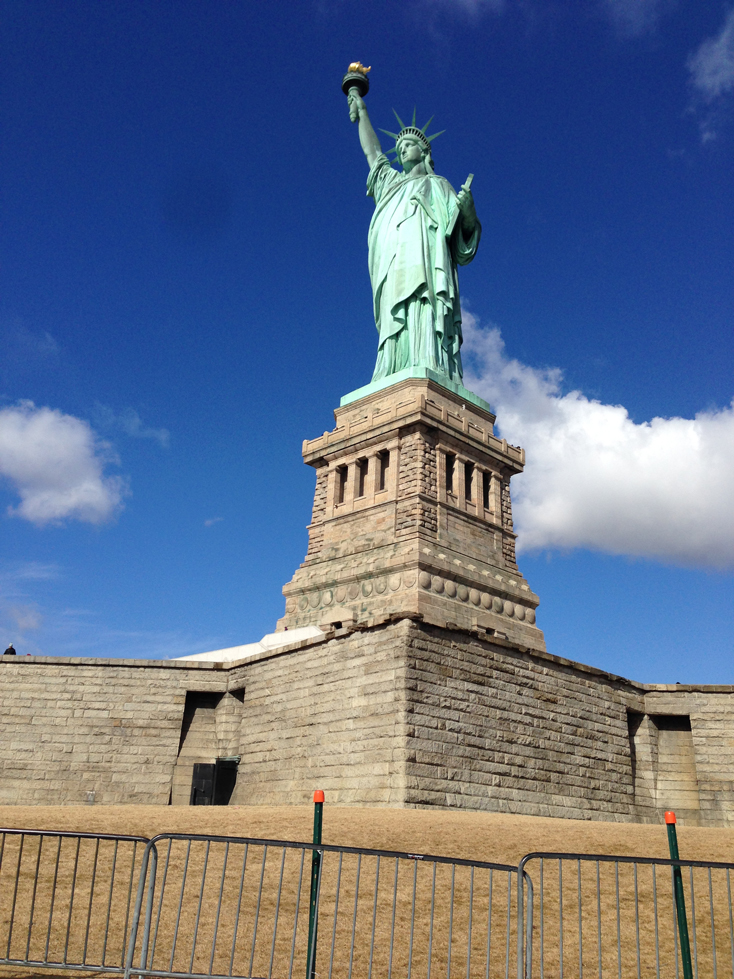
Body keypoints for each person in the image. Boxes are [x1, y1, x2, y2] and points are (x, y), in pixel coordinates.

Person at [347, 92, 481, 383]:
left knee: (424, 306)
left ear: (423, 151)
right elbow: (373, 154)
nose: (403, 150)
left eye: (409, 145)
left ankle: (429, 361)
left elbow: (461, 242)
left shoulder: (439, 185)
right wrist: (363, 111)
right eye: (400, 147)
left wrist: (468, 213)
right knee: (396, 314)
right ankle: (392, 367)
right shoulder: (391, 183)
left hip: (428, 266)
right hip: (393, 263)